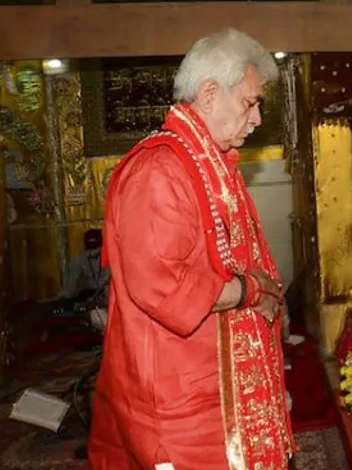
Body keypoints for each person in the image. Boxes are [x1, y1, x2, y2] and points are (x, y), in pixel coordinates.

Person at [88, 29, 295, 469]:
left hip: (218, 393)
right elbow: (160, 285)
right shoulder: (160, 170)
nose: (257, 118)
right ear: (208, 93)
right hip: (180, 402)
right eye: (249, 102)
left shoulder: (210, 163)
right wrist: (250, 291)